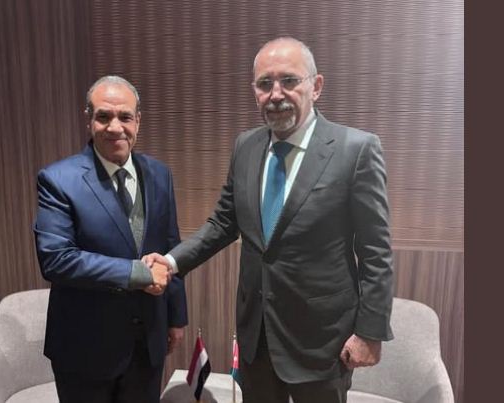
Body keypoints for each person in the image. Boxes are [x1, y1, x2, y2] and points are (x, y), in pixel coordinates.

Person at [145, 37, 394, 403]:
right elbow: (223, 223)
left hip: (323, 340)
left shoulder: (355, 150)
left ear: (316, 86)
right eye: (265, 84)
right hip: (257, 334)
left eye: (289, 80)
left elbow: (376, 251)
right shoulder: (245, 146)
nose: (276, 94)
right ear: (255, 92)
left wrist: (370, 333)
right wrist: (170, 262)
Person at [34, 75, 187, 403]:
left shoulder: (160, 174)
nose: (115, 127)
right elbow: (56, 259)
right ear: (89, 120)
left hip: (147, 343)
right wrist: (137, 273)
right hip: (85, 349)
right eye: (104, 116)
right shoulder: (58, 180)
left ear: (138, 121)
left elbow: (170, 247)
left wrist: (176, 317)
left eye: (125, 117)